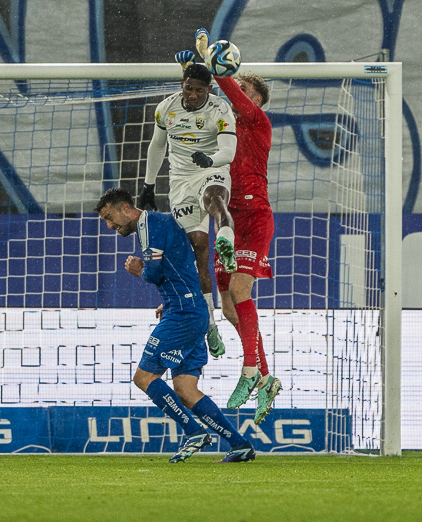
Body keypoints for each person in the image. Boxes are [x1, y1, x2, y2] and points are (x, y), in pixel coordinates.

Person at [95, 187, 256, 464]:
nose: (110, 226)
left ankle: (194, 432)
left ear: (125, 208)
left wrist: (139, 270)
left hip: (183, 315)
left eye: (110, 218)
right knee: (185, 389)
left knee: (144, 378)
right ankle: (240, 445)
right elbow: (180, 268)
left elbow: (155, 272)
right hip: (189, 309)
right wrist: (170, 300)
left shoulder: (151, 225)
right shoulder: (156, 225)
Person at [190, 30, 282, 420]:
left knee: (241, 290)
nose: (235, 93)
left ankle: (249, 371)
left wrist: (216, 66)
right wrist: (193, 68)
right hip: (227, 220)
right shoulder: (223, 126)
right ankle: (267, 377)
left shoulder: (258, 121)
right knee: (229, 307)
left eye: (243, 90)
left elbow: (226, 87)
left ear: (255, 99)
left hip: (255, 216)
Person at [138, 62, 237, 356]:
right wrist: (148, 185)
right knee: (197, 251)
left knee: (215, 198)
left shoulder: (220, 109)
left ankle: (226, 242)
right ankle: (210, 324)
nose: (193, 95)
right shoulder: (166, 109)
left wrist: (211, 160)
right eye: (189, 88)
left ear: (209, 90)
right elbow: (157, 147)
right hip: (180, 181)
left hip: (211, 169)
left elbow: (229, 150)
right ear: (182, 84)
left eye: (199, 91)